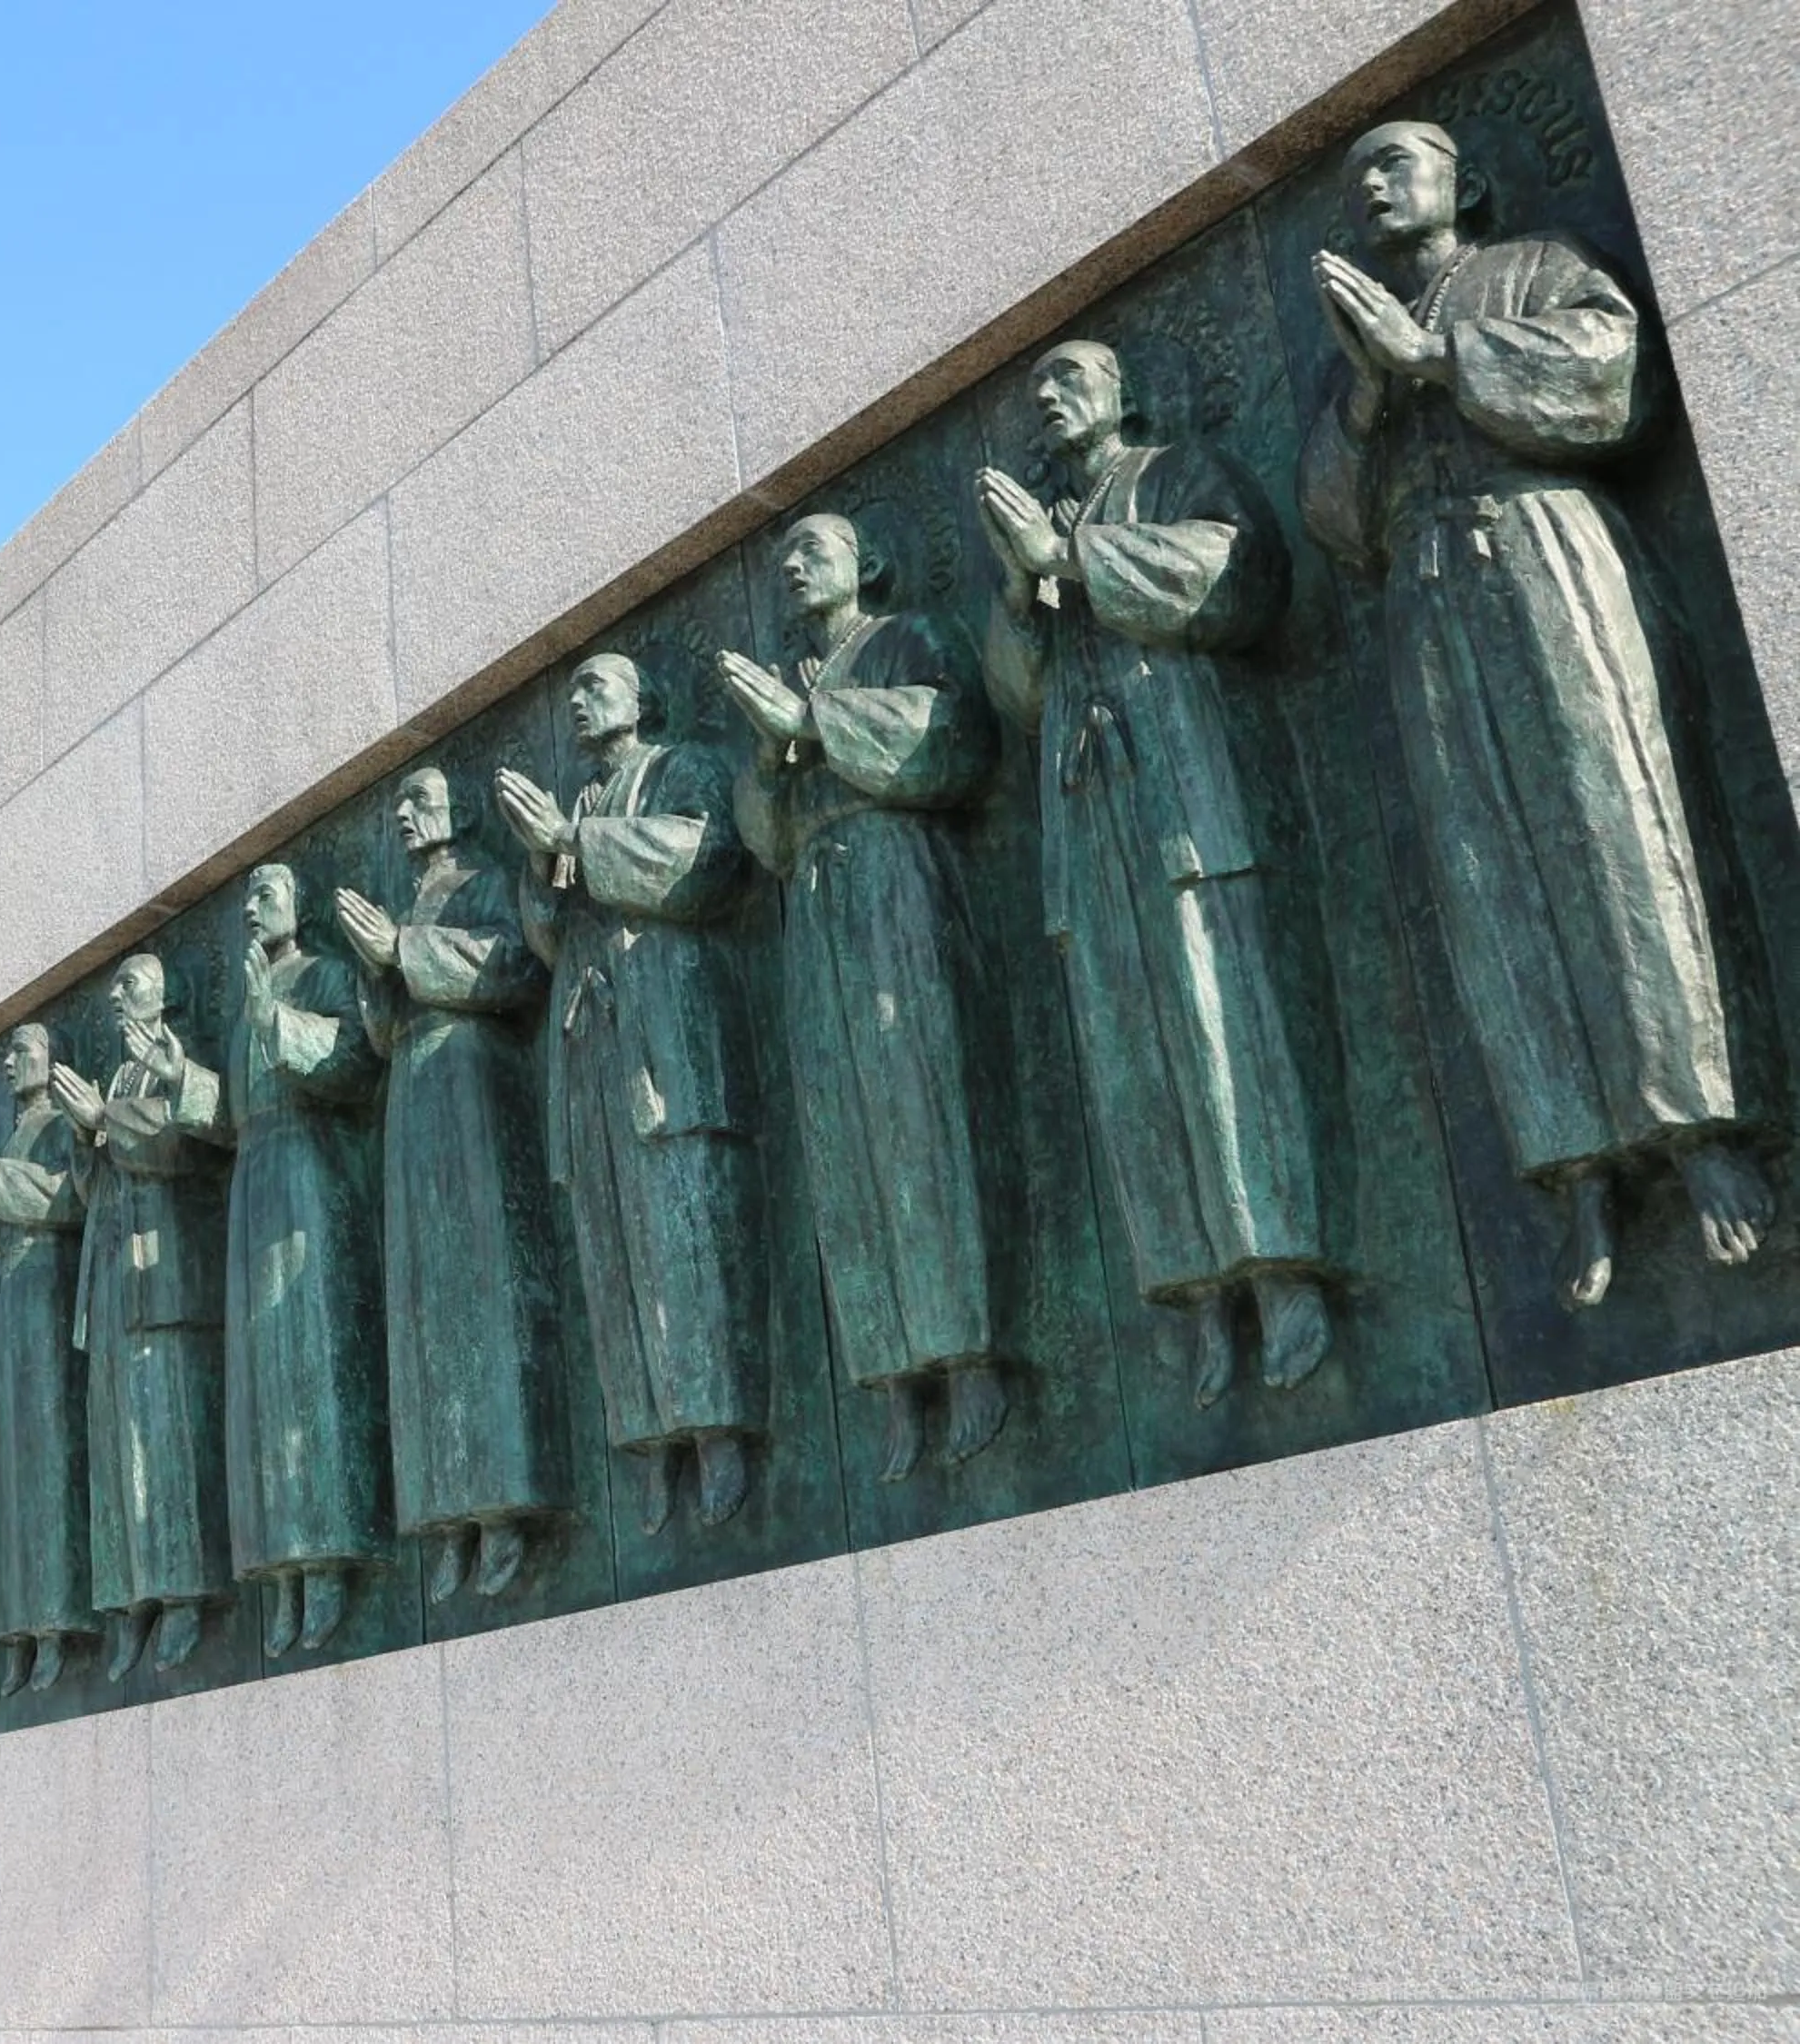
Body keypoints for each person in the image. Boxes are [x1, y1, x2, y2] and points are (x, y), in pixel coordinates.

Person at [1299, 118, 1771, 1305]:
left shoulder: (1541, 267)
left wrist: (1437, 356)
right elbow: (1338, 527)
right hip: (1426, 590)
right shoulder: (1352, 353)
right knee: (1486, 871)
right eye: (1358, 173)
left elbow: (1614, 378)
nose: (1374, 182)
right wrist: (1369, 395)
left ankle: (1699, 1130)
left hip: (1544, 549)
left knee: (1616, 830)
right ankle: (1577, 1169)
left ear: (1463, 182)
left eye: (1398, 159)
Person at [979, 341, 1337, 1404]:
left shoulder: (1177, 473)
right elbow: (1020, 696)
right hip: (1088, 821)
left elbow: (1242, 579)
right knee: (1126, 1044)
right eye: (1036, 387)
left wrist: (1075, 558)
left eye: (1069, 377)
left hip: (1182, 796)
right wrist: (1021, 594)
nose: (1049, 396)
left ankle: (1280, 1273)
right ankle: (1195, 1291)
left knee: (1221, 1019)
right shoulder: (1042, 524)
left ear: (1122, 391)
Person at [721, 513, 1013, 1472]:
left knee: (921, 1111)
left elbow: (956, 741)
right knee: (842, 1134)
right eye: (783, 559)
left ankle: (967, 1355)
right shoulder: (792, 680)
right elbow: (766, 842)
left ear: (869, 563)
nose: (793, 568)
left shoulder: (908, 640)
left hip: (896, 880)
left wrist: (816, 725)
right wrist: (772, 758)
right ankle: (892, 1375)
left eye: (812, 550)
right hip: (816, 902)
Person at [497, 654, 769, 1533]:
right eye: (572, 690)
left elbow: (708, 859)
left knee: (686, 1235)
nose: (579, 701)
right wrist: (545, 861)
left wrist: (576, 845)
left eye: (597, 686)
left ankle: (718, 1428)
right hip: (592, 1052)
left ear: (643, 700)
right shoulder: (576, 803)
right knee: (610, 1246)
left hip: (669, 1035)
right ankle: (650, 1441)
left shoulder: (682, 768)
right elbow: (548, 939)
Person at [335, 768, 567, 1599]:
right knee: (422, 1312)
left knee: (483, 1291)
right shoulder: (410, 901)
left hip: (474, 1086)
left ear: (459, 809)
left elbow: (519, 966)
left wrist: (404, 951)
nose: (404, 815)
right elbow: (382, 1032)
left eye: (419, 801)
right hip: (414, 1095)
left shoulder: (485, 882)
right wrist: (378, 973)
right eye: (398, 804)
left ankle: (503, 1503)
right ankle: (445, 1514)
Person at [170, 864, 389, 1655]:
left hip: (309, 1174)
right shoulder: (250, 1002)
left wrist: (273, 1017)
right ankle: (282, 1567)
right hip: (255, 1180)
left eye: (266, 895)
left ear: (299, 905)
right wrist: (178, 1078)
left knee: (309, 1365)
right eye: (247, 899)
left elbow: (353, 1061)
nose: (251, 909)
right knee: (261, 1385)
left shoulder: (322, 976)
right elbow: (233, 1116)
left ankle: (326, 1556)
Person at [58, 954, 233, 1678]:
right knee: (113, 1451)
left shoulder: (183, 1053)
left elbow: (190, 1138)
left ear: (163, 992)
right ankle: (130, 1598)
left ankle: (183, 1592)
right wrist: (85, 1137)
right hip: (110, 1284)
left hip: (162, 1275)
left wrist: (106, 1121)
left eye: (128, 983)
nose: (115, 994)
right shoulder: (118, 1075)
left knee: (165, 1444)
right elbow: (93, 1187)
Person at [0, 1031, 97, 1694]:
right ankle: (17, 1628)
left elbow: (71, 1198)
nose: (8, 1062)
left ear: (52, 1057)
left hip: (45, 1297)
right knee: (6, 1469)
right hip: (10, 1302)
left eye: (21, 1049)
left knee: (44, 1459)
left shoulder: (62, 1123)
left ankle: (55, 1620)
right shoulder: (12, 1136)